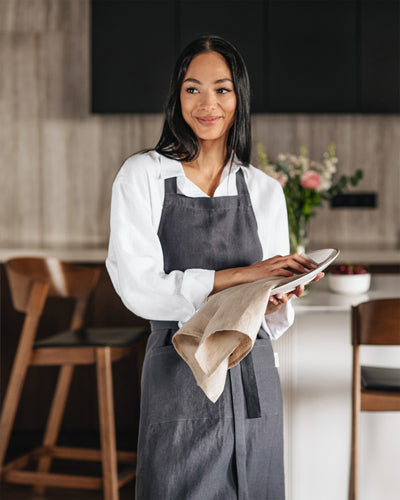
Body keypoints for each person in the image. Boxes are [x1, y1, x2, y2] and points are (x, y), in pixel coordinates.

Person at [106, 35, 322, 500]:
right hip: (180, 366)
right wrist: (243, 275)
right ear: (176, 96)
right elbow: (139, 288)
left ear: (239, 96)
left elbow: (267, 310)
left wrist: (277, 292)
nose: (208, 104)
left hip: (253, 371)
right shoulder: (142, 175)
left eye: (222, 89)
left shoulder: (264, 189)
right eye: (193, 88)